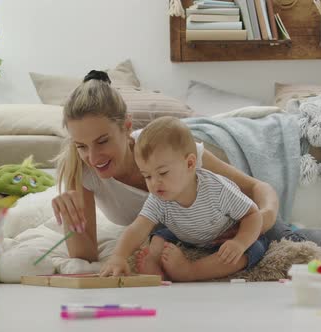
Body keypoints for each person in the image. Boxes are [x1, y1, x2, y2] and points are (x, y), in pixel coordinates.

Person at [51, 70, 321, 272]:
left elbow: (256, 190)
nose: (92, 156)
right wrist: (72, 219)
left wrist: (264, 217)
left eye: (102, 141)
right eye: (81, 145)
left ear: (127, 128)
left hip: (219, 203)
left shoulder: (173, 157)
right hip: (186, 228)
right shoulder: (83, 170)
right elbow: (86, 254)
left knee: (278, 238)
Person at [99, 116, 268, 281]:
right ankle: (154, 262)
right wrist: (118, 256)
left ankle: (191, 271)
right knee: (159, 235)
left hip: (224, 235)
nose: (154, 183)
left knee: (249, 251)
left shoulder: (217, 189)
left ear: (189, 164)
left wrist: (239, 242)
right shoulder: (158, 198)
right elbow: (137, 228)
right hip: (186, 233)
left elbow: (253, 215)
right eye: (147, 176)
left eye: (163, 173)